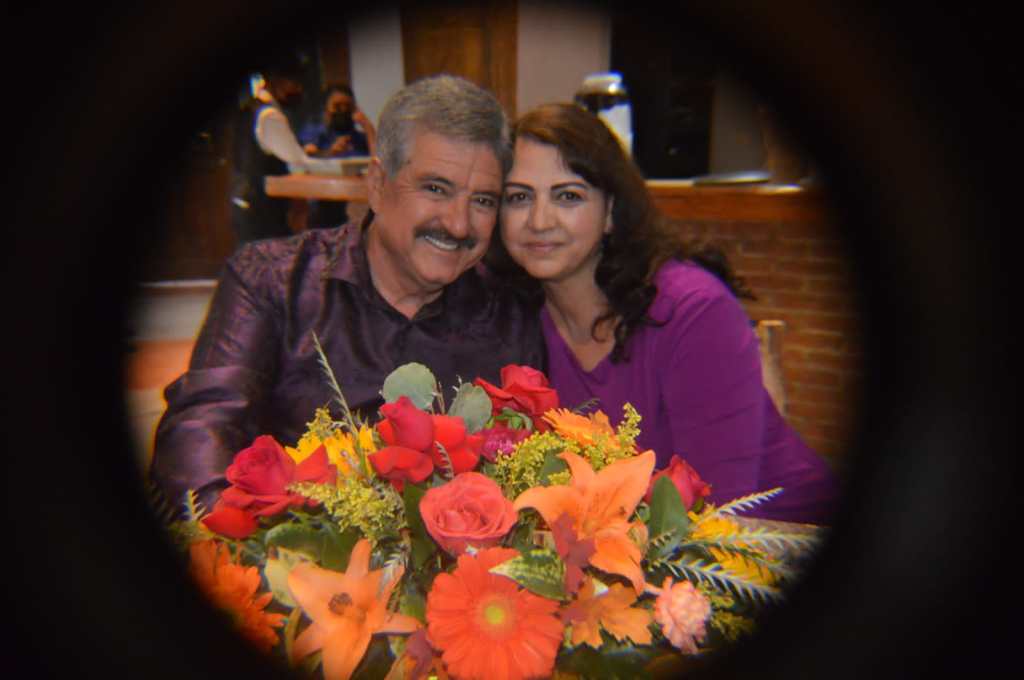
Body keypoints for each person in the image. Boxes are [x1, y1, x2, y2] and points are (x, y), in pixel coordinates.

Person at [150, 75, 546, 512]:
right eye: (436, 189)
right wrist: (237, 538)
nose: (458, 224)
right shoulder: (273, 282)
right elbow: (201, 428)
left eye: (483, 201)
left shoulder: (508, 316)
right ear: (377, 184)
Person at [487, 102, 838, 525]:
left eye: (568, 196)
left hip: (779, 536)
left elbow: (722, 516)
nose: (539, 220)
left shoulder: (693, 312)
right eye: (519, 197)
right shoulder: (514, 316)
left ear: (611, 211)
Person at [229, 57, 345, 244]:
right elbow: (297, 162)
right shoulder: (270, 115)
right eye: (295, 84)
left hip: (244, 199)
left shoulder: (250, 108)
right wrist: (341, 168)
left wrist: (322, 154)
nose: (299, 90)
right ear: (276, 81)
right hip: (262, 208)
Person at [297, 82, 377, 229]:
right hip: (325, 204)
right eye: (337, 106)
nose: (343, 110)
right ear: (326, 108)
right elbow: (307, 157)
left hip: (358, 204)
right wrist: (331, 152)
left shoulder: (359, 138)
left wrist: (367, 126)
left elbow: (379, 159)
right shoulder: (316, 133)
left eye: (348, 106)